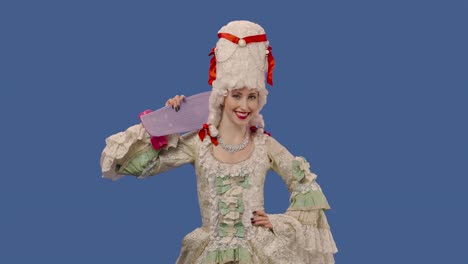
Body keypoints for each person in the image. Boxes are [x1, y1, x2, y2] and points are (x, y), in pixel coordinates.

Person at [100, 20, 337, 264]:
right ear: (223, 96)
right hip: (209, 253)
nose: (245, 106)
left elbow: (305, 185)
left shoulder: (265, 145)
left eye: (252, 97)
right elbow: (129, 166)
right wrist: (167, 121)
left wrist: (277, 222)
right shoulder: (199, 143)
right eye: (236, 95)